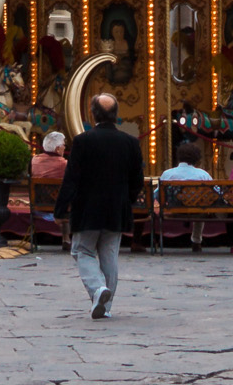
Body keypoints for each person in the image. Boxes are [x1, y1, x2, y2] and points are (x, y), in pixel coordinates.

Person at [54, 92, 145, 319]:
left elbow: (71, 178)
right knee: (109, 255)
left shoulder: (83, 141)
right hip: (117, 208)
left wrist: (60, 208)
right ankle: (106, 306)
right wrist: (127, 199)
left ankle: (97, 289)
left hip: (87, 207)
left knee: (82, 250)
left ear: (93, 113)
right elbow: (138, 179)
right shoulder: (130, 142)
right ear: (116, 115)